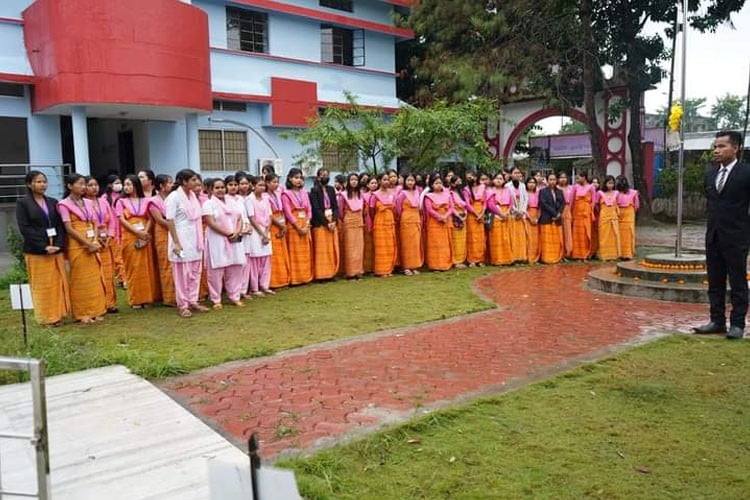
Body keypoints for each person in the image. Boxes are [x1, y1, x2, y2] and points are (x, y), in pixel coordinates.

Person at [693, 131, 750, 340]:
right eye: (715, 146)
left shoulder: (745, 173)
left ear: (735, 148)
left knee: (737, 282)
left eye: (722, 146)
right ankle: (716, 321)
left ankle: (737, 324)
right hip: (714, 236)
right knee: (715, 281)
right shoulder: (711, 174)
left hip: (736, 237)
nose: (716, 150)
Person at [16, 171, 70, 326]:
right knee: (43, 285)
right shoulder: (23, 203)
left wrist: (58, 245)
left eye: (44, 181)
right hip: (37, 251)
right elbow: (25, 228)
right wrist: (44, 246)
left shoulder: (53, 202)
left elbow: (60, 226)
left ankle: (58, 313)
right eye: (38, 182)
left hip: (56, 248)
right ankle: (46, 316)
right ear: (29, 184)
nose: (42, 185)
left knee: (57, 282)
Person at [58, 174, 107, 324]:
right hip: (77, 244)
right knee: (80, 279)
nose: (83, 187)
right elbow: (69, 228)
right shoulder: (63, 204)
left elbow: (94, 223)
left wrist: (95, 240)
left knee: (94, 278)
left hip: (92, 241)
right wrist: (87, 243)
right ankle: (82, 313)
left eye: (84, 184)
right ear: (70, 186)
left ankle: (96, 310)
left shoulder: (88, 202)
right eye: (80, 184)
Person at [165, 169, 209, 318]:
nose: (197, 183)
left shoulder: (193, 196)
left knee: (195, 271)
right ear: (184, 182)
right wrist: (176, 243)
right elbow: (170, 220)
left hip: (195, 240)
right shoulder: (174, 197)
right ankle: (183, 304)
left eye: (197, 180)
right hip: (181, 239)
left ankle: (193, 300)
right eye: (193, 180)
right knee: (182, 273)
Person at [202, 178, 246, 308]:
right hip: (217, 239)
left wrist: (237, 233)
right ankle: (216, 299)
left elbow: (240, 219)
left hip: (234, 239)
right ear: (211, 190)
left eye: (222, 187)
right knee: (216, 271)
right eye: (217, 188)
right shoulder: (208, 204)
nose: (220, 190)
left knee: (236, 268)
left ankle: (235, 296)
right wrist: (228, 234)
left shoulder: (233, 202)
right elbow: (210, 222)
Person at [115, 175, 157, 308]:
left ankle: (148, 298)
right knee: (133, 267)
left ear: (136, 185)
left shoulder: (146, 200)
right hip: (130, 236)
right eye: (125, 185)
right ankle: (136, 299)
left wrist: (145, 231)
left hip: (145, 235)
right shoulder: (120, 202)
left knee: (146, 266)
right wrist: (137, 232)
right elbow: (121, 219)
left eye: (129, 184)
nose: (126, 187)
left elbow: (150, 218)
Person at [85, 176, 118, 313]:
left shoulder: (103, 201)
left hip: (107, 241)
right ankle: (99, 303)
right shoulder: (84, 203)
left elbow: (112, 220)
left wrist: (110, 235)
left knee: (108, 273)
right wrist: (96, 238)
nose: (94, 188)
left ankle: (110, 303)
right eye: (90, 185)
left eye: (96, 184)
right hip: (93, 241)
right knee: (96, 274)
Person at [282, 168, 314, 285]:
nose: (298, 180)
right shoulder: (286, 194)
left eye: (300, 178)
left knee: (305, 251)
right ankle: (296, 278)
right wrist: (297, 227)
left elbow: (309, 209)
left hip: (305, 223)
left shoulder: (305, 192)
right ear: (290, 179)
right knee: (295, 252)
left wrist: (307, 223)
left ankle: (306, 277)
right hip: (293, 225)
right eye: (295, 178)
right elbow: (288, 212)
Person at [148, 174, 177, 306]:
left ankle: (179, 294)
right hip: (163, 234)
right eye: (169, 183)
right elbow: (159, 220)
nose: (172, 185)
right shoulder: (153, 201)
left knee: (176, 262)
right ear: (161, 186)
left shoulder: (173, 198)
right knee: (166, 264)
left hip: (175, 232)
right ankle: (169, 297)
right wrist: (176, 227)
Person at [246, 176, 275, 296]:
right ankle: (255, 288)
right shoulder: (249, 199)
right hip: (255, 231)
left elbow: (270, 216)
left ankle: (264, 285)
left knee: (266, 259)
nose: (262, 188)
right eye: (259, 185)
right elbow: (251, 218)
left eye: (263, 185)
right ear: (253, 186)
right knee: (255, 260)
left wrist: (267, 232)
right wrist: (262, 233)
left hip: (266, 230)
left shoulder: (266, 198)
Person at [309, 168, 340, 280]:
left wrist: (334, 220)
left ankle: (331, 273)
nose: (325, 177)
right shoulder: (314, 190)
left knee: (331, 248)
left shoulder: (331, 189)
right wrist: (327, 223)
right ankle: (322, 275)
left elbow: (336, 207)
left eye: (326, 175)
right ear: (318, 177)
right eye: (322, 175)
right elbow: (316, 209)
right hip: (321, 222)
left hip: (332, 220)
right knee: (321, 250)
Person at [338, 172, 366, 279]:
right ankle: (350, 272)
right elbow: (340, 211)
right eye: (352, 180)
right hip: (349, 222)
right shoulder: (343, 195)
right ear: (348, 182)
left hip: (359, 222)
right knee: (350, 248)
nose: (354, 182)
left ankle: (359, 271)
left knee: (359, 248)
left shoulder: (361, 194)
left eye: (356, 180)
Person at [369, 173, 398, 277]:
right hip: (380, 222)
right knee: (381, 247)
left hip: (390, 222)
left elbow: (394, 208)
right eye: (384, 179)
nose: (387, 181)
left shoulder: (392, 194)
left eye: (387, 179)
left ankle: (389, 269)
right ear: (379, 181)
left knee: (390, 246)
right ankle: (381, 271)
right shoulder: (374, 195)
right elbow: (371, 210)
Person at [424, 176, 455, 271]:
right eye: (436, 183)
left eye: (440, 183)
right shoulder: (428, 196)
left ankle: (445, 264)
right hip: (434, 223)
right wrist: (440, 217)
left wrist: (445, 216)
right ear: (431, 185)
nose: (439, 185)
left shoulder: (448, 195)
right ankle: (435, 265)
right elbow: (429, 209)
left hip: (446, 221)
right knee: (435, 243)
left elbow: (451, 208)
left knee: (445, 244)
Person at [266, 173, 291, 289]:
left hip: (281, 222)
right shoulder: (265, 196)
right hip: (273, 224)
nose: (276, 184)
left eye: (277, 182)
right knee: (274, 254)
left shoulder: (278, 194)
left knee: (282, 252)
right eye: (273, 182)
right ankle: (274, 281)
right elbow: (269, 215)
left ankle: (283, 279)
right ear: (267, 183)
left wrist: (283, 225)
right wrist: (280, 225)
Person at [395, 173, 423, 276]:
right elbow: (398, 208)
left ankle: (414, 265)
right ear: (405, 182)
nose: (410, 182)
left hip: (416, 218)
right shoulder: (402, 193)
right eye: (408, 180)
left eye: (412, 180)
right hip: (406, 219)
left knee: (415, 244)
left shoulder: (417, 192)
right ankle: (406, 266)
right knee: (407, 244)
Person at [485, 172, 512, 266]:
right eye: (497, 178)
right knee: (496, 238)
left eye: (501, 178)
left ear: (504, 180)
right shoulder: (489, 190)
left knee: (506, 238)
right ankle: (497, 259)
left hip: (506, 215)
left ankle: (506, 259)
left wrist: (507, 212)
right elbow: (490, 205)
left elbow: (511, 203)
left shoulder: (507, 190)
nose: (499, 180)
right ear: (493, 180)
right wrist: (500, 214)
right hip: (495, 215)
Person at [538, 172, 566, 264]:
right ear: (547, 180)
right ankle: (547, 258)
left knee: (557, 239)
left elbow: (563, 203)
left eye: (554, 179)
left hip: (557, 219)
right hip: (547, 218)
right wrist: (554, 213)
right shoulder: (542, 191)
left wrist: (558, 214)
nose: (552, 181)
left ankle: (557, 256)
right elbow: (543, 204)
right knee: (547, 240)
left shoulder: (560, 191)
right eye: (550, 179)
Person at [594, 175, 621, 261]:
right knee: (604, 236)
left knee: (614, 235)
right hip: (604, 216)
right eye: (609, 183)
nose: (610, 185)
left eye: (612, 183)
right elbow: (596, 204)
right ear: (605, 184)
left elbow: (618, 204)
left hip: (613, 216)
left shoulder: (616, 193)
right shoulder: (600, 193)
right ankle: (604, 255)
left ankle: (613, 255)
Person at [463, 170, 486, 267]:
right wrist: (476, 214)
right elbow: (467, 204)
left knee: (480, 237)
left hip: (481, 212)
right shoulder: (466, 189)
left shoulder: (482, 187)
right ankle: (472, 259)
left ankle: (480, 259)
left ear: (476, 177)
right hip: (472, 214)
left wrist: (482, 213)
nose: (470, 179)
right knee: (472, 237)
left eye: (471, 177)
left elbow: (485, 202)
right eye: (468, 178)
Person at [570, 171, 595, 259]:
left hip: (586, 212)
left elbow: (593, 201)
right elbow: (571, 200)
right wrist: (571, 211)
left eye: (579, 178)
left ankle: (586, 253)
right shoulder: (575, 187)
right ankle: (577, 254)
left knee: (586, 232)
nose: (577, 180)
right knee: (577, 233)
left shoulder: (591, 187)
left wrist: (591, 212)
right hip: (577, 212)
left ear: (584, 177)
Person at [507, 167, 528, 263]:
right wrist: (516, 211)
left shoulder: (523, 186)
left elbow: (526, 199)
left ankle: (522, 257)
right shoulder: (507, 186)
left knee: (521, 237)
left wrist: (522, 211)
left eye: (518, 173)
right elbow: (508, 201)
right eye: (515, 173)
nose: (517, 174)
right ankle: (514, 257)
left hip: (521, 213)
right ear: (511, 174)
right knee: (513, 236)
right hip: (513, 214)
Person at [616, 175, 639, 260]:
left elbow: (636, 205)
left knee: (629, 233)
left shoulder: (633, 192)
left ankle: (628, 253)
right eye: (619, 181)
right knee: (619, 233)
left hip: (629, 213)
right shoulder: (616, 193)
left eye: (623, 181)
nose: (621, 183)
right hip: (618, 213)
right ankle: (620, 253)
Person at [449, 176, 468, 268]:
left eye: (460, 181)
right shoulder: (450, 193)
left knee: (462, 240)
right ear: (452, 183)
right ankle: (455, 261)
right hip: (455, 217)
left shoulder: (462, 193)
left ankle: (461, 260)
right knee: (455, 240)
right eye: (457, 181)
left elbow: (466, 205)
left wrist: (465, 214)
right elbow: (451, 207)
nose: (459, 183)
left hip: (463, 216)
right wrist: (458, 216)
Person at [362, 176, 379, 274]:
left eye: (375, 183)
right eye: (372, 183)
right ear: (367, 185)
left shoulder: (379, 195)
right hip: (367, 219)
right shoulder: (364, 195)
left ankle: (375, 266)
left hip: (377, 219)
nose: (374, 185)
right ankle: (367, 267)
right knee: (368, 245)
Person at [558, 171, 574, 258]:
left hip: (568, 209)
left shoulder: (571, 188)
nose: (563, 179)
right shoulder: (556, 188)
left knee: (568, 231)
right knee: (560, 231)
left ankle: (568, 252)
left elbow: (573, 201)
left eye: (564, 177)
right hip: (559, 210)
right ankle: (561, 252)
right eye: (561, 177)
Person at [525, 176, 541, 264]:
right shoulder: (524, 193)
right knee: (528, 237)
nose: (531, 184)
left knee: (536, 238)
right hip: (527, 216)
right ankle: (529, 257)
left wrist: (537, 218)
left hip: (536, 216)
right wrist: (530, 218)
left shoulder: (538, 193)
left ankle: (535, 257)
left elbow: (539, 207)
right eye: (529, 182)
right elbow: (524, 207)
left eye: (533, 183)